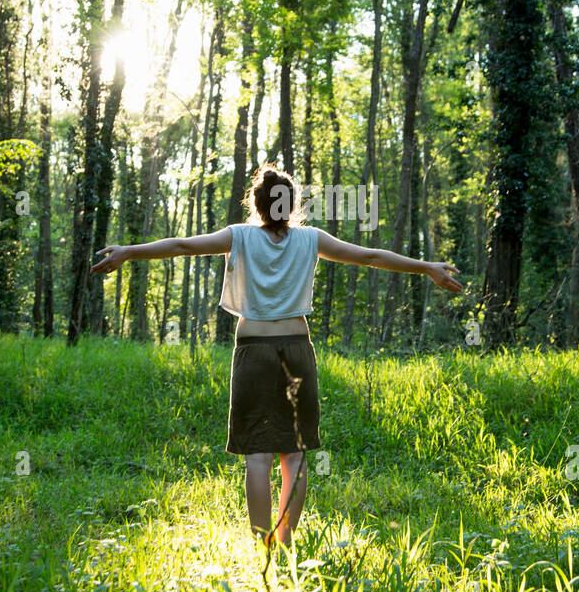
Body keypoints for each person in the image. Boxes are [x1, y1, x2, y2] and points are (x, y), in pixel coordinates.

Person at [90, 163, 463, 552]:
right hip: (297, 351)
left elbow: (181, 245)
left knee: (257, 453)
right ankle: (284, 544)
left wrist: (128, 252)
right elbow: (369, 256)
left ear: (257, 203)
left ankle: (261, 546)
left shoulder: (239, 236)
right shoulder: (311, 239)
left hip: (253, 351)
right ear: (292, 204)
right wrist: (427, 268)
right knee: (295, 453)